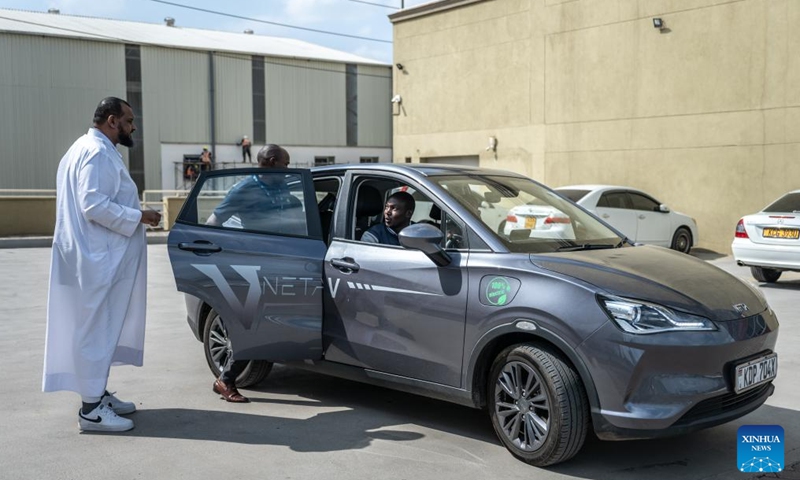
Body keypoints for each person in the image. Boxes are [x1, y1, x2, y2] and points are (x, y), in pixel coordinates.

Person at [43, 97, 162, 433]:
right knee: (95, 329)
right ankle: (91, 411)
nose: (133, 126)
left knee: (101, 328)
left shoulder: (84, 148)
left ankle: (96, 393)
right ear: (112, 121)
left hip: (94, 257)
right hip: (97, 260)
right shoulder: (95, 152)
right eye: (129, 120)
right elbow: (92, 204)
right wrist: (140, 216)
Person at [206, 144, 296, 402]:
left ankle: (226, 379)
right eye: (285, 164)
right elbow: (214, 225)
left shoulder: (282, 187)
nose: (287, 169)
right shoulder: (245, 189)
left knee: (267, 324)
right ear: (270, 161)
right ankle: (225, 380)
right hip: (253, 266)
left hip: (284, 263)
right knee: (253, 325)